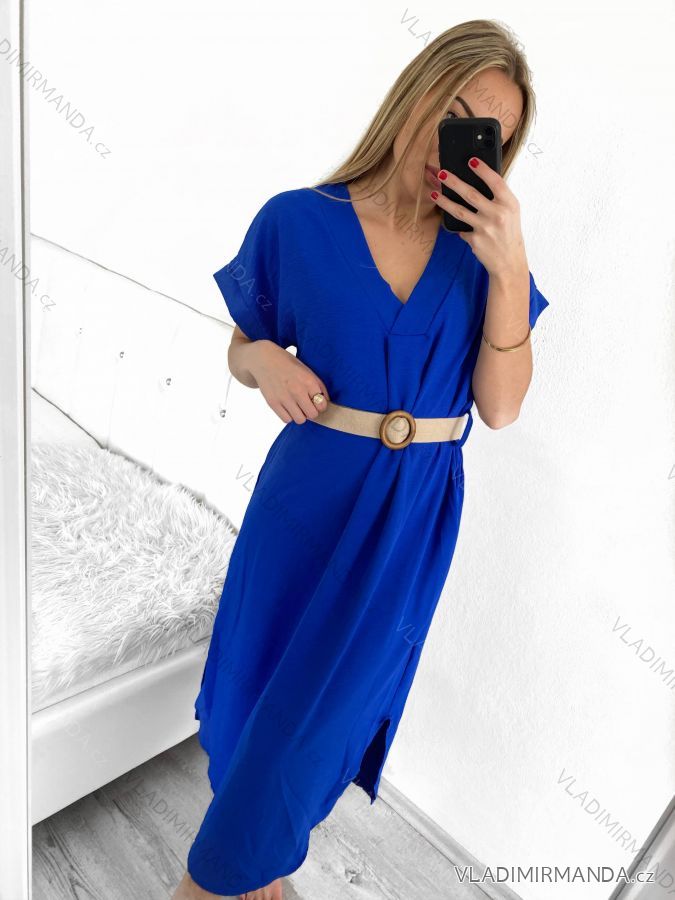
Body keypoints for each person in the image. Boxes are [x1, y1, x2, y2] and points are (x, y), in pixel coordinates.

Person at [171, 18, 550, 900]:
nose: (468, 139)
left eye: (492, 132)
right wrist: (262, 363)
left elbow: (499, 408)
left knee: (318, 722)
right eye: (457, 111)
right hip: (301, 504)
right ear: (416, 93)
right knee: (256, 689)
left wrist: (507, 267)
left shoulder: (485, 262)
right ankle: (252, 866)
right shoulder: (297, 220)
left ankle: (218, 874)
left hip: (405, 526)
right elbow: (243, 342)